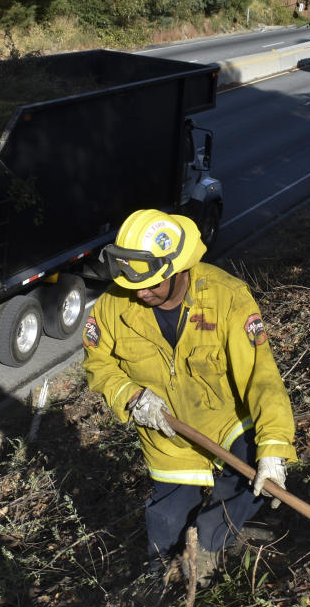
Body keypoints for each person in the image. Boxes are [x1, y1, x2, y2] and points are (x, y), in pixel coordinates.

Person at [82, 209, 297, 586]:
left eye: (151, 284)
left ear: (178, 270)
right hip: (167, 435)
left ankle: (210, 552)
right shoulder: (113, 308)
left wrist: (274, 447)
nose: (140, 292)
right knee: (165, 535)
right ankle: (163, 595)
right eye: (133, 283)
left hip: (226, 423)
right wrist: (131, 397)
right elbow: (97, 364)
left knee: (248, 491)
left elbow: (261, 378)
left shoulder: (226, 298)